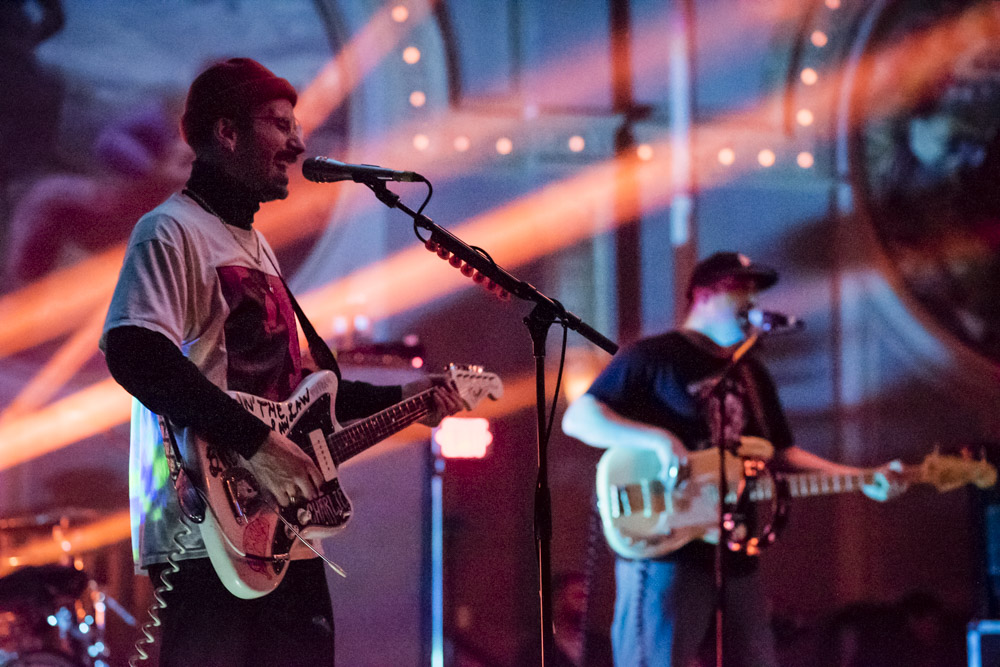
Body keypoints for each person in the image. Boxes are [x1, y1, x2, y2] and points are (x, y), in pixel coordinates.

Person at [100, 58, 462, 666]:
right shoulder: (169, 232)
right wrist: (257, 444)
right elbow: (136, 353)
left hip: (283, 529)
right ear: (227, 133)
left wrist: (410, 400)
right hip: (207, 525)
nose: (298, 143)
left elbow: (301, 395)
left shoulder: (257, 246)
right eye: (280, 124)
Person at [561, 251, 905, 667]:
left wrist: (861, 477)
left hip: (736, 552)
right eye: (740, 290)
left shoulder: (751, 374)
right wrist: (659, 440)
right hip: (666, 548)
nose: (752, 302)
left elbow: (781, 454)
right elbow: (580, 418)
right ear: (704, 295)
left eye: (755, 293)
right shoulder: (654, 357)